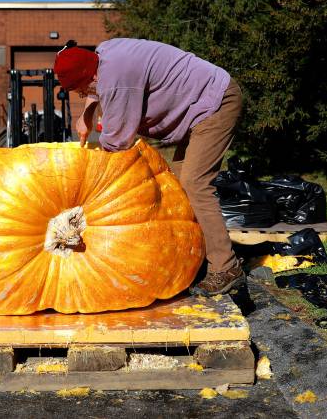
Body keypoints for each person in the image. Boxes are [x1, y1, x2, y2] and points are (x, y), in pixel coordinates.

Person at [53, 38, 245, 295]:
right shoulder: (103, 54)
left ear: (91, 77)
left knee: (194, 184)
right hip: (198, 106)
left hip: (215, 103)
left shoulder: (118, 79)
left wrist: (93, 192)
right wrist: (86, 115)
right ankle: (194, 258)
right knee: (177, 189)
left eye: (79, 89)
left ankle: (226, 267)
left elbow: (117, 143)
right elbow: (98, 87)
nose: (80, 95)